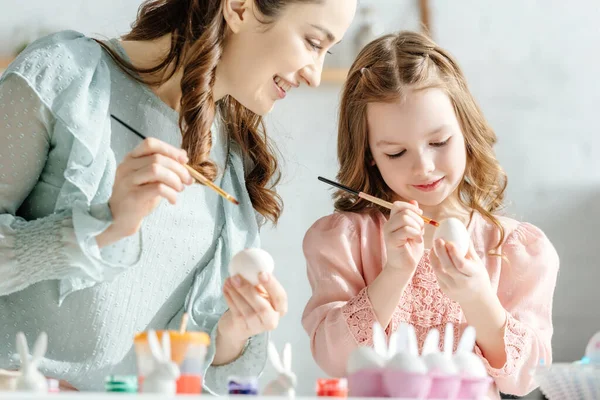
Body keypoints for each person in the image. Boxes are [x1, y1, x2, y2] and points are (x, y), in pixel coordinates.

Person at [0, 0, 356, 393]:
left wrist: (233, 331)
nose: (315, 74)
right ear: (239, 8)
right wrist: (104, 225)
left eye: (328, 51)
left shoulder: (234, 155)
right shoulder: (65, 76)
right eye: (312, 41)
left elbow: (179, 359)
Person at [301, 31, 559, 399]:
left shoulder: (515, 248)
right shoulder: (344, 240)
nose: (423, 167)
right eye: (395, 152)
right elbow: (334, 359)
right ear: (369, 154)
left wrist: (477, 296)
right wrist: (393, 273)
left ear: (465, 131)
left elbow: (527, 378)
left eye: (439, 143)